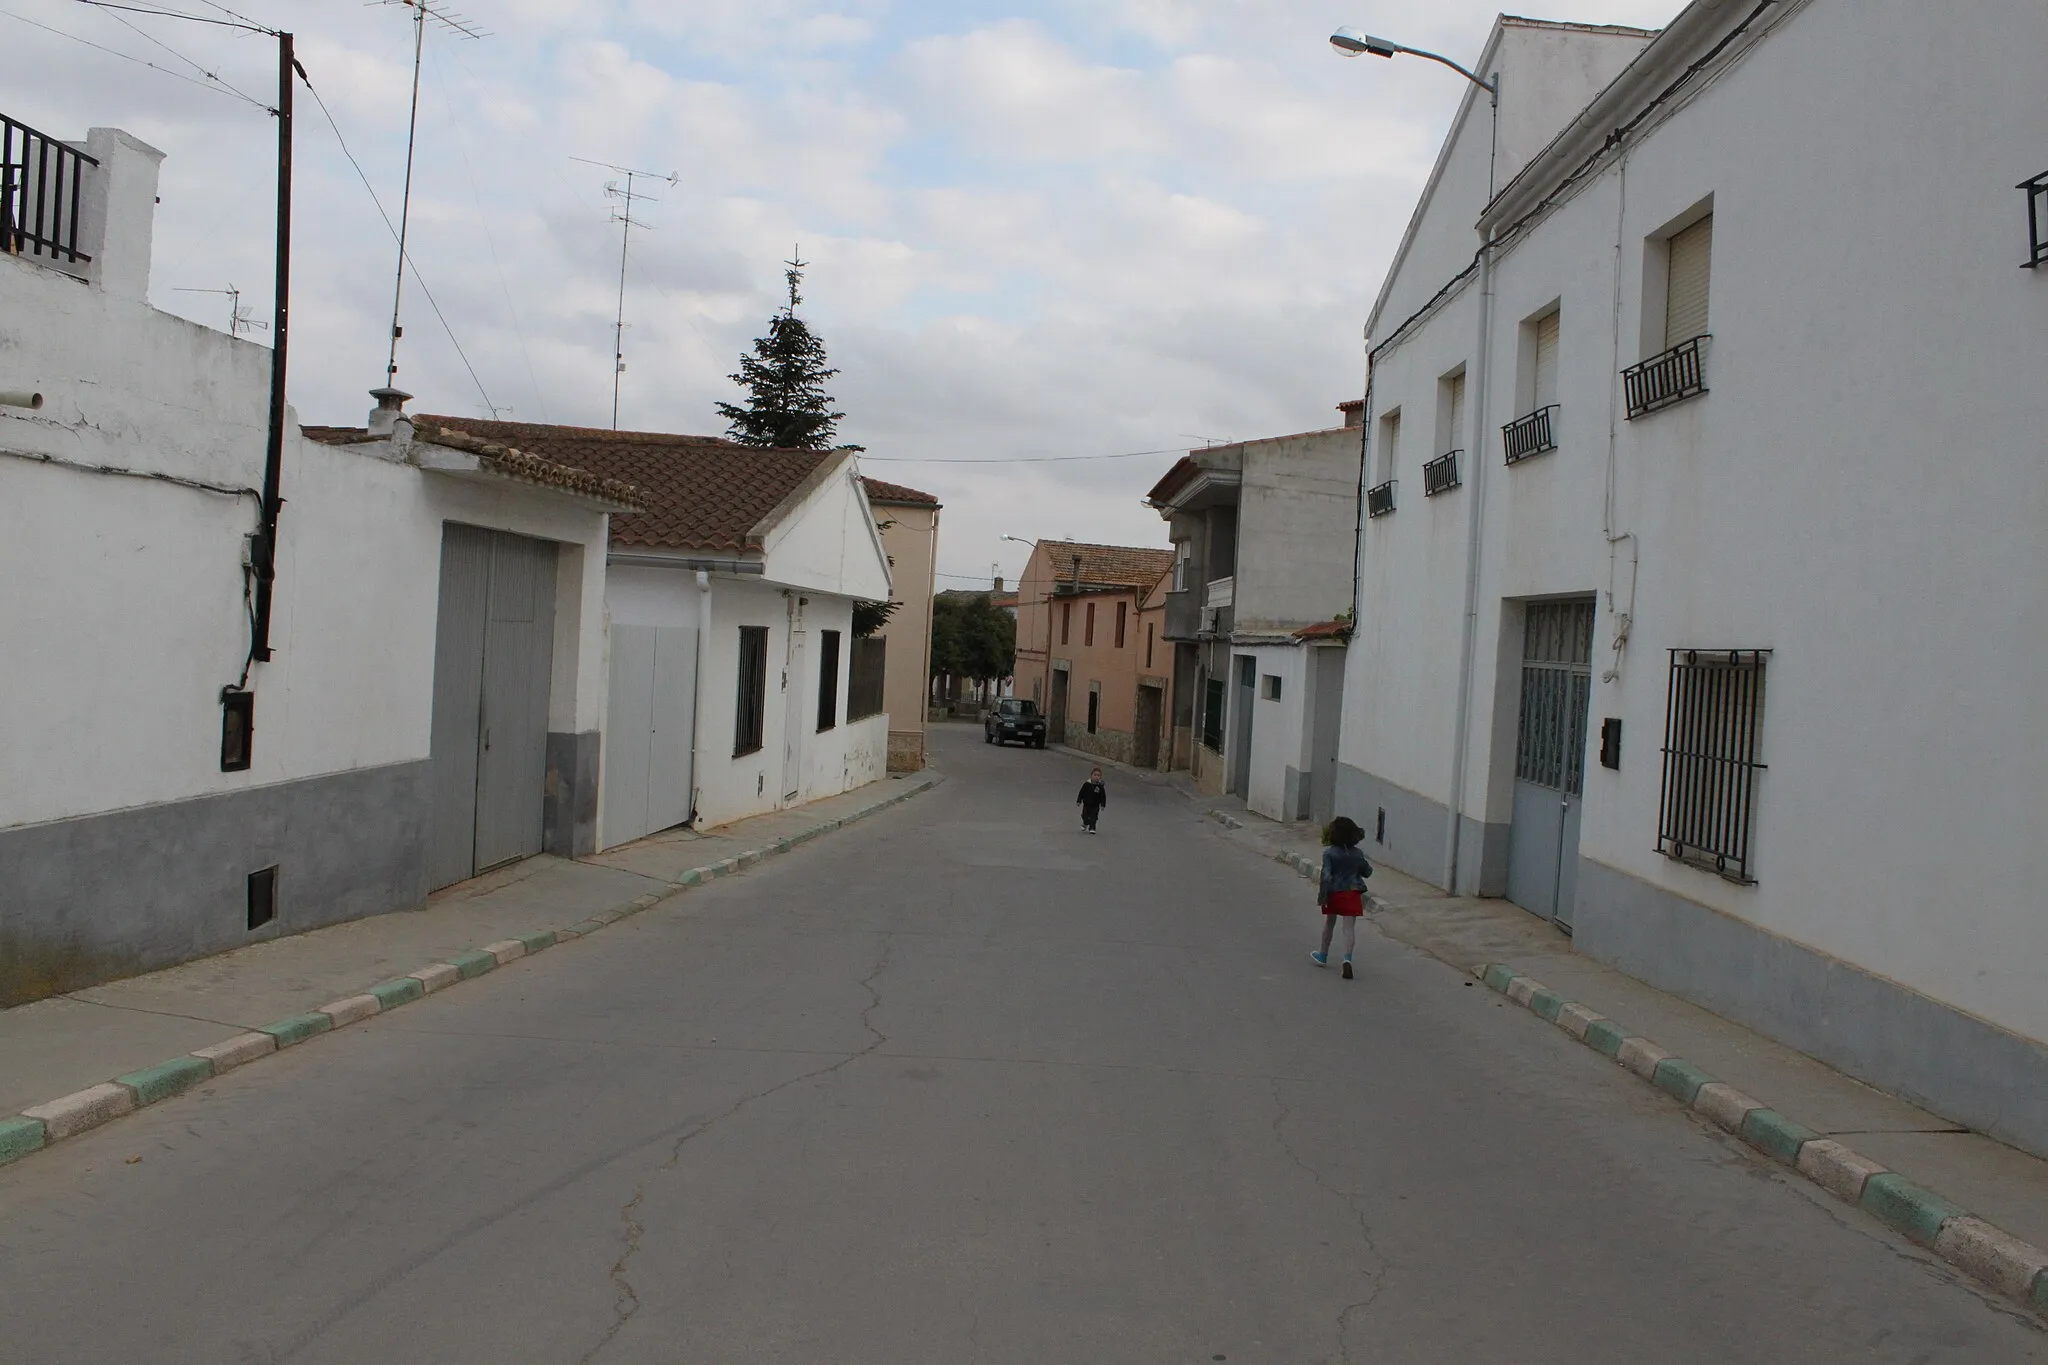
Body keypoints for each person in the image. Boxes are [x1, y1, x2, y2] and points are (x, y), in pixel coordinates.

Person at [1312, 816, 1373, 979]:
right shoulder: (1357, 853)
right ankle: (1347, 959)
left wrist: (1323, 896)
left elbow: (1325, 876)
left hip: (1334, 893)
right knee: (1349, 928)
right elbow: (1368, 872)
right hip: (1352, 892)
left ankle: (1323, 954)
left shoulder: (1329, 853)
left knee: (1329, 923)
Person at [1076, 768, 1108, 833]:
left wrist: (1102, 804)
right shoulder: (1086, 784)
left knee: (1093, 817)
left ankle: (1092, 828)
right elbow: (1081, 793)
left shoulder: (1100, 786)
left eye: (1098, 775)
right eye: (1095, 775)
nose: (1096, 777)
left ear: (1100, 777)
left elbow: (1103, 796)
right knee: (1085, 815)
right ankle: (1085, 823)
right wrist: (1079, 801)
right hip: (1087, 804)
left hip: (1095, 805)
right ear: (1091, 776)